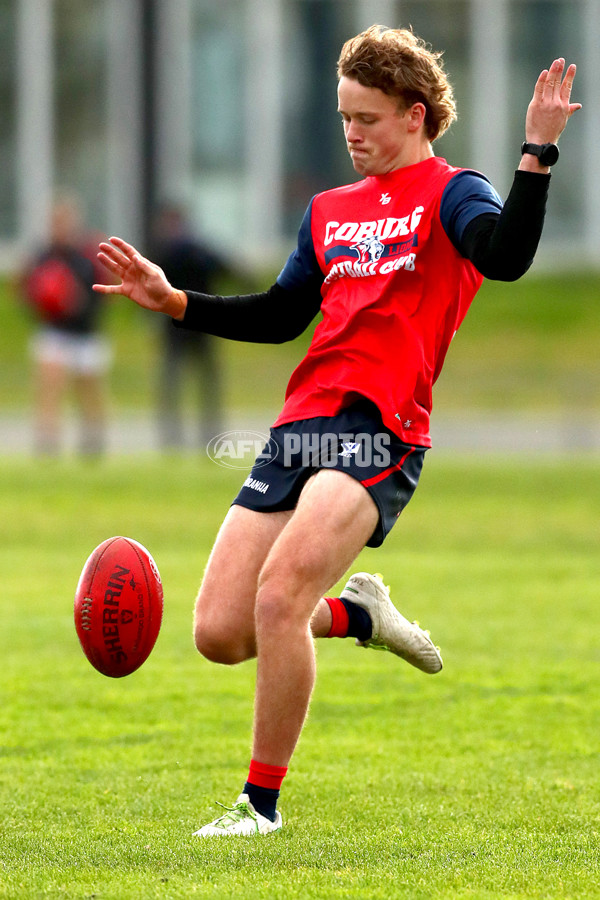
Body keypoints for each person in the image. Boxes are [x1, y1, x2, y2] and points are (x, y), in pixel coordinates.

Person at [94, 26, 580, 836]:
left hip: (382, 428)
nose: (351, 133)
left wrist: (538, 151)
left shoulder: (454, 192)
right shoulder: (328, 210)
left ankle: (260, 806)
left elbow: (504, 258)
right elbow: (285, 314)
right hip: (301, 424)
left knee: (280, 598)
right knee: (220, 631)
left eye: (368, 118)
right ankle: (362, 616)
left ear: (416, 116)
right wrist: (176, 301)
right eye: (343, 117)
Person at [22, 194, 112, 456]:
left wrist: (80, 302)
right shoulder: (43, 255)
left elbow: (107, 290)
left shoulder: (88, 254)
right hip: (55, 331)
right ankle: (47, 441)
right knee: (49, 385)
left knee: (89, 389)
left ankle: (93, 441)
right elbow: (28, 291)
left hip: (85, 332)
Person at [150, 203, 229, 449]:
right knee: (177, 379)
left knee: (198, 379)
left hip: (197, 324)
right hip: (182, 326)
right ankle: (175, 433)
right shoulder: (188, 250)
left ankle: (206, 431)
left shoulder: (173, 252)